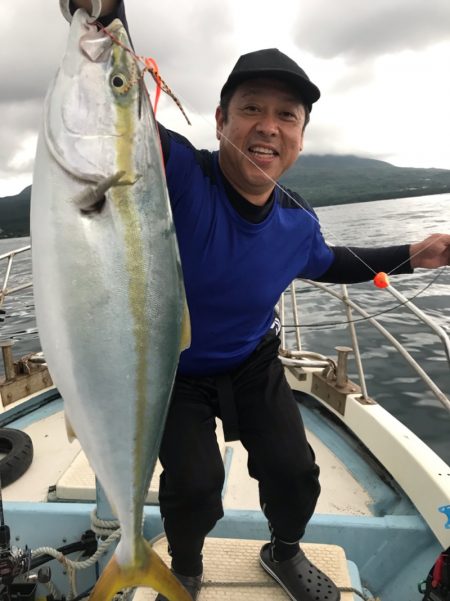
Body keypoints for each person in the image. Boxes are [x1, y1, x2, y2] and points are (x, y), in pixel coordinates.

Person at [70, 2, 450, 600]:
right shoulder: (179, 177)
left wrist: (411, 251)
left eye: (285, 116)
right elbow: (119, 106)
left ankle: (284, 549)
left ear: (300, 137)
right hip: (175, 374)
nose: (267, 126)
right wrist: (105, 19)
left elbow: (331, 263)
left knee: (295, 474)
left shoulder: (298, 222)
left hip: (253, 362)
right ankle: (185, 565)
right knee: (193, 487)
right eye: (250, 109)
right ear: (220, 121)